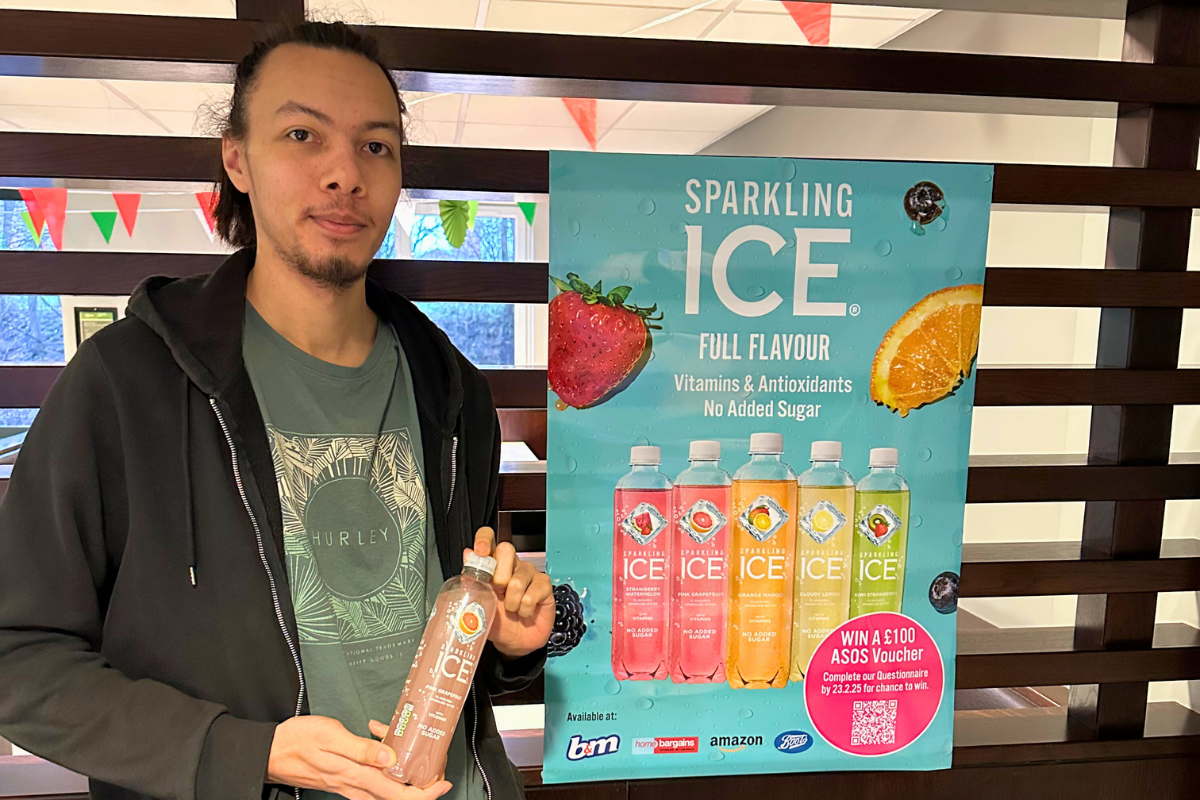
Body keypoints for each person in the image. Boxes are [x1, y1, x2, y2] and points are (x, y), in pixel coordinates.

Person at [0, 20, 552, 800]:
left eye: (376, 145)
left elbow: (435, 648)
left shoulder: (453, 391)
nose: (344, 174)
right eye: (302, 135)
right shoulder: (127, 385)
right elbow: (18, 658)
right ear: (238, 159)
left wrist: (508, 646)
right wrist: (241, 752)